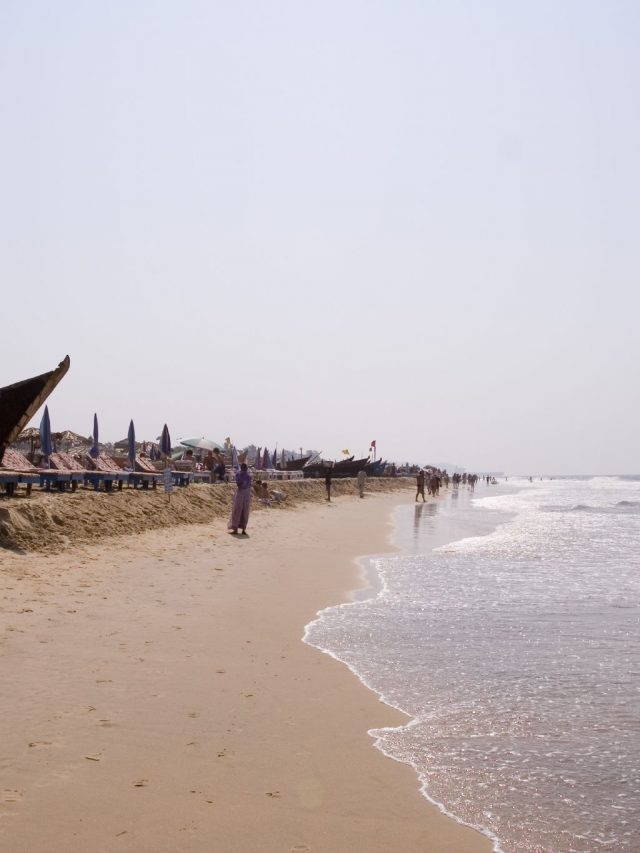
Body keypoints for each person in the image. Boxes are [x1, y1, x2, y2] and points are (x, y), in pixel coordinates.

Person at [228, 463, 252, 535]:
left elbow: (238, 484)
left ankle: (235, 529)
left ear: (241, 468)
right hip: (247, 494)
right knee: (245, 511)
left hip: (240, 493)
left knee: (237, 510)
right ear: (246, 468)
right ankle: (243, 529)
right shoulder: (249, 476)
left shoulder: (238, 474)